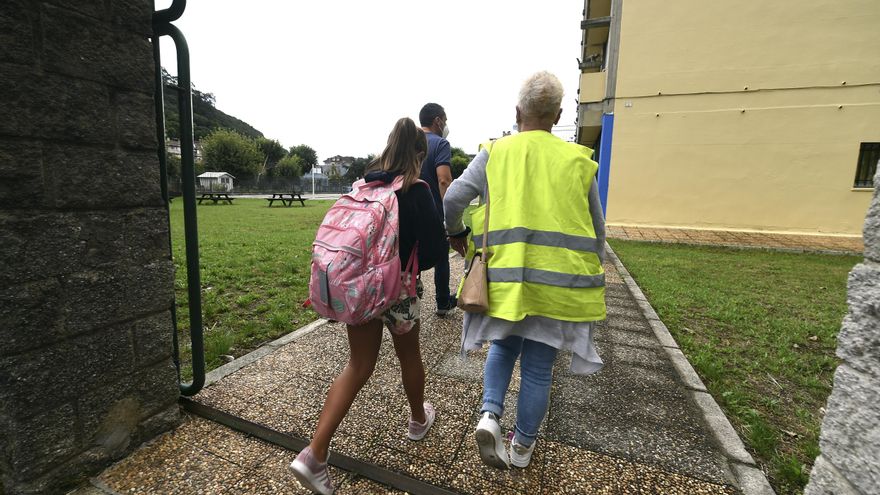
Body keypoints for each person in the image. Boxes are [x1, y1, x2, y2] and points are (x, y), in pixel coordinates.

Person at [444, 71, 607, 470]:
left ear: (518, 112)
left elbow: (452, 198)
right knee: (538, 368)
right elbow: (597, 230)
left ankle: (490, 415)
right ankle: (522, 449)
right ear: (558, 114)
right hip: (558, 286)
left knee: (502, 347)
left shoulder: (495, 152)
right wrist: (589, 270)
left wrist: (457, 234)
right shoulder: (578, 160)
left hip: (504, 279)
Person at [290, 118, 448, 494]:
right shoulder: (416, 190)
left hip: (358, 286)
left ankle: (314, 454)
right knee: (409, 356)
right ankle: (416, 419)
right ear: (419, 154)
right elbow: (433, 253)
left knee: (358, 365)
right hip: (399, 290)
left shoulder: (363, 186)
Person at [418, 102, 456, 316]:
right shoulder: (440, 144)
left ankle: (406, 298)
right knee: (441, 256)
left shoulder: (408, 142)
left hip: (407, 210)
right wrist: (448, 215)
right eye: (445, 120)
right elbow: (444, 180)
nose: (446, 125)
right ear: (438, 121)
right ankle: (443, 302)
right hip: (433, 211)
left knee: (409, 255)